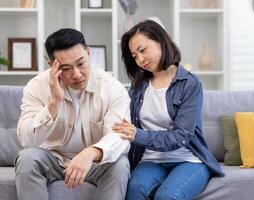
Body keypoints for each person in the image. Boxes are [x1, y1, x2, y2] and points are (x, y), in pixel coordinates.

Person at [113, 20, 224, 200]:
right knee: (134, 190)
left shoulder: (189, 83)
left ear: (161, 41)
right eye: (134, 56)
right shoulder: (138, 86)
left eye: (143, 50)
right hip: (151, 160)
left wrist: (138, 135)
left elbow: (182, 136)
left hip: (189, 160)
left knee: (167, 196)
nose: (140, 59)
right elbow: (125, 122)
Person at [15, 28, 131, 200]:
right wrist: (54, 103)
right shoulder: (36, 86)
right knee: (26, 159)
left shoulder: (112, 88)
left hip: (93, 162)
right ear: (52, 66)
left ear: (89, 53)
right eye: (66, 68)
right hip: (52, 158)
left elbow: (119, 136)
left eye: (81, 63)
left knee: (120, 165)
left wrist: (91, 153)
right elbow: (27, 141)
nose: (76, 75)